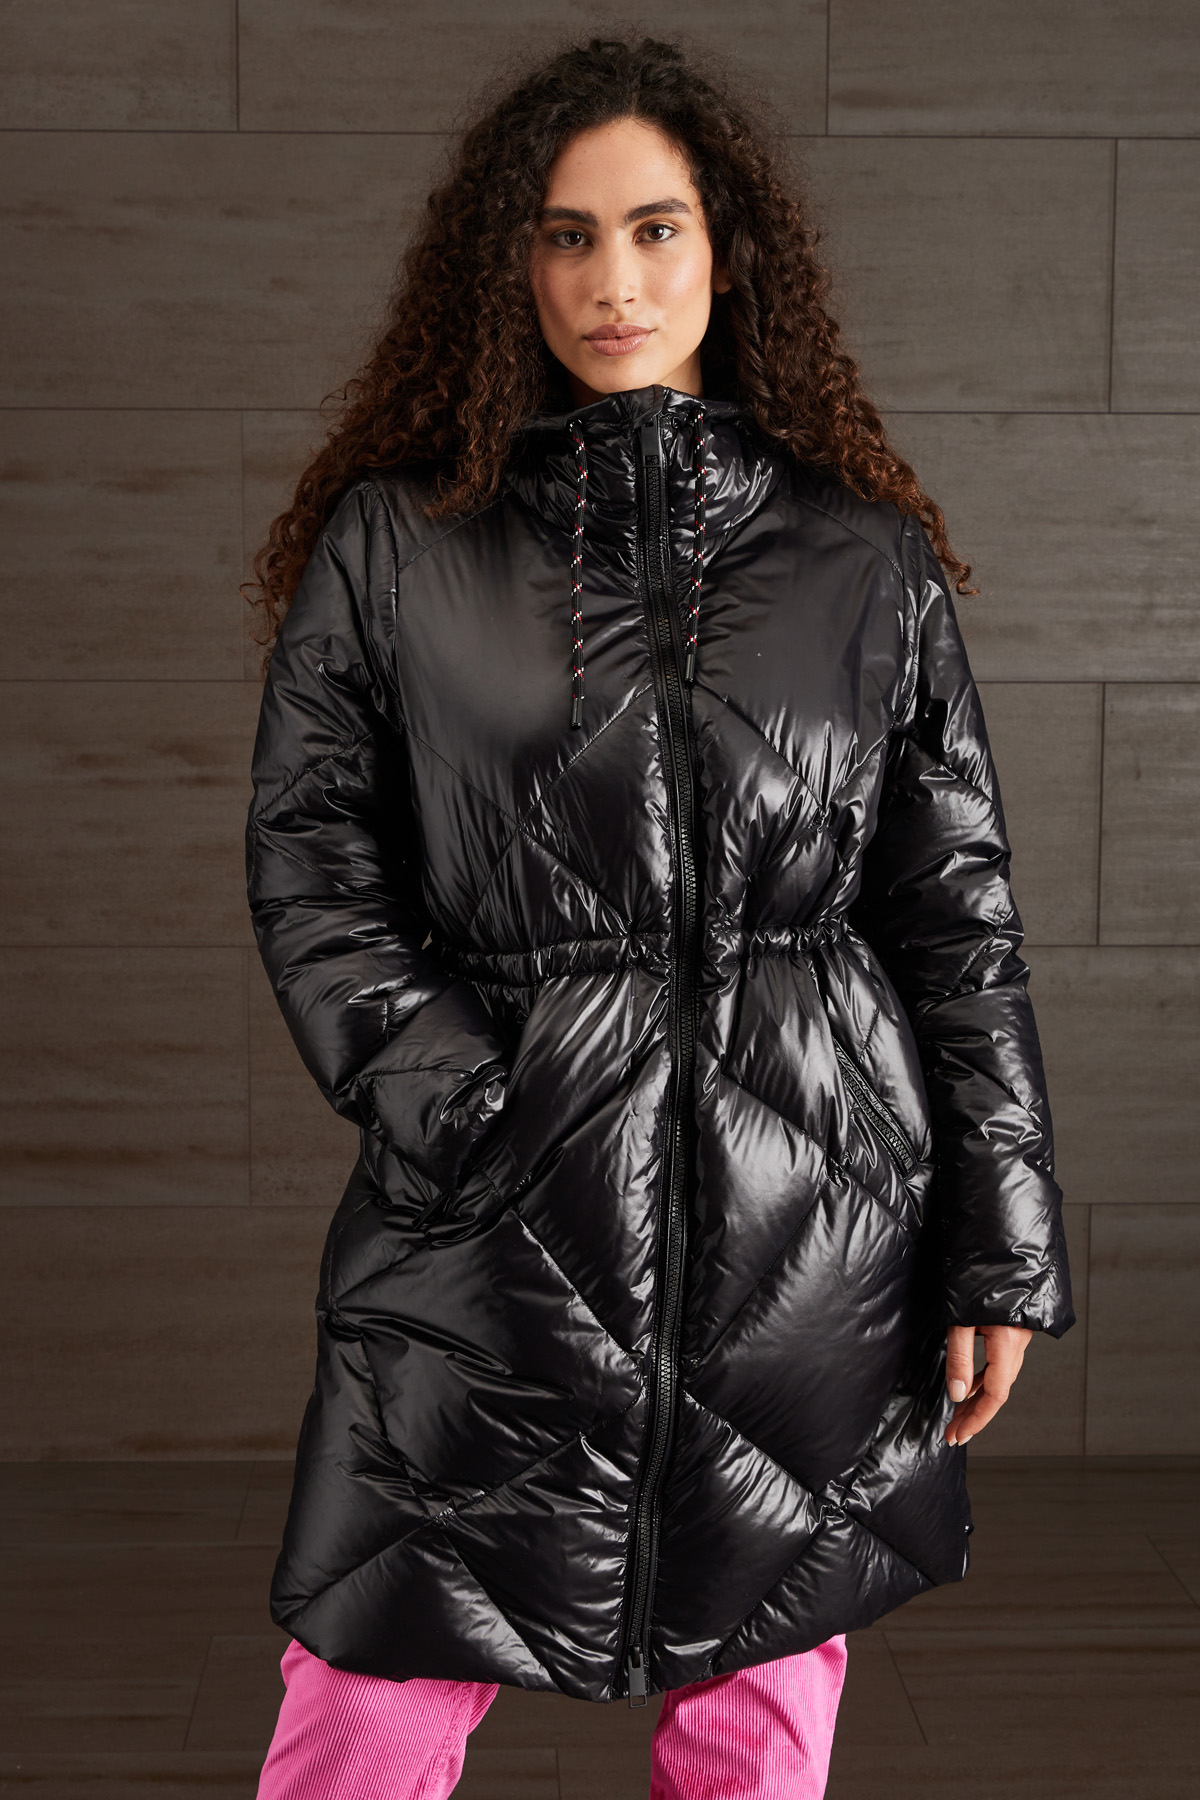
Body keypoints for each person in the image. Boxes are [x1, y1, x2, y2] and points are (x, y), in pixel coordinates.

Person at [243, 32, 1073, 1800]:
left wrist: (997, 1238)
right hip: (494, 1232)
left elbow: (954, 914)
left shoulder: (863, 555)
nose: (612, 281)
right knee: (372, 1693)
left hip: (813, 1230)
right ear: (510, 262)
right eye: (565, 236)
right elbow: (315, 854)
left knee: (762, 1706)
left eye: (655, 228)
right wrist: (456, 1099)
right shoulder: (401, 544)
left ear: (728, 249)